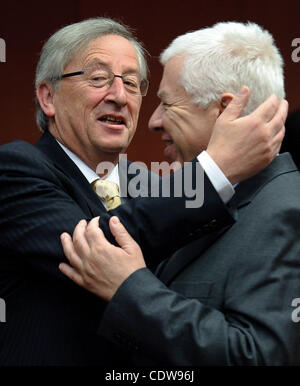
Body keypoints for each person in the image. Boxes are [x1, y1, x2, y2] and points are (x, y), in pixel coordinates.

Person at [0, 17, 286, 366]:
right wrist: (215, 169)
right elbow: (95, 247)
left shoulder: (156, 187)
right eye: (98, 78)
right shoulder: (15, 169)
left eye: (133, 84)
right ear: (48, 97)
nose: (120, 96)